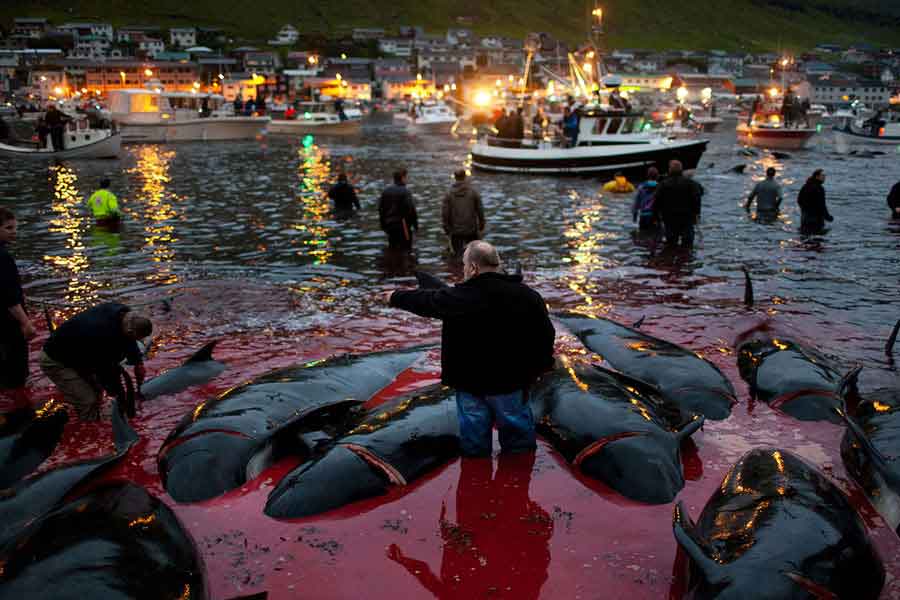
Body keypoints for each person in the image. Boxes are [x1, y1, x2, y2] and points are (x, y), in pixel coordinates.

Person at [384, 241, 555, 456]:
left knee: (474, 438)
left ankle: (476, 472)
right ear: (497, 264)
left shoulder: (457, 298)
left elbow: (425, 301)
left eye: (465, 265)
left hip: (469, 383)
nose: (464, 270)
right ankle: (517, 474)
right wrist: (542, 366)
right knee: (518, 437)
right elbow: (545, 335)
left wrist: (394, 296)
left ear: (473, 267)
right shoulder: (528, 296)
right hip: (512, 382)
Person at [40, 303, 151, 421]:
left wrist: (138, 363)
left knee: (97, 392)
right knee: (88, 401)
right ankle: (89, 427)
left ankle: (87, 411)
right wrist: (119, 399)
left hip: (81, 353)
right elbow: (107, 372)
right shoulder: (102, 335)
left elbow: (129, 341)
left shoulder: (124, 314)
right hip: (56, 360)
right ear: (128, 331)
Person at [0, 208, 36, 389]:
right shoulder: (3, 257)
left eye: (15, 228)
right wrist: (26, 323)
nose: (14, 232)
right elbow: (9, 297)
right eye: (8, 228)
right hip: (9, 322)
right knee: (17, 369)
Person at [652, 160, 702, 247]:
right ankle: (687, 259)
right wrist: (697, 213)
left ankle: (670, 258)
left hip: (669, 217)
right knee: (688, 243)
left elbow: (656, 201)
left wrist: (655, 216)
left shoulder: (663, 184)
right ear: (681, 170)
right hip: (687, 217)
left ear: (669, 170)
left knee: (671, 243)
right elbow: (698, 196)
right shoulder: (691, 183)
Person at [442, 169, 485, 256]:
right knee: (473, 256)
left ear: (455, 177)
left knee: (457, 255)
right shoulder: (473, 192)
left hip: (455, 231)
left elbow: (445, 213)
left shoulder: (448, 194)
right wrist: (481, 225)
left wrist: (446, 229)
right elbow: (480, 210)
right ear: (465, 177)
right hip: (471, 230)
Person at [378, 168, 418, 250]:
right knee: (406, 249)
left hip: (389, 225)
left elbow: (381, 209)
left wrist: (383, 225)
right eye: (406, 177)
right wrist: (415, 225)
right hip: (403, 225)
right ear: (403, 178)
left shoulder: (386, 191)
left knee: (392, 247)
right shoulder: (406, 191)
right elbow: (411, 210)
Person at [797, 169, 833, 235]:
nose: (824, 178)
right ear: (817, 177)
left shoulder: (805, 186)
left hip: (805, 218)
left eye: (825, 176)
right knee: (817, 239)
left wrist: (804, 209)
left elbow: (799, 200)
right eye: (822, 176)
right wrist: (828, 217)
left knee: (804, 237)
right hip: (816, 219)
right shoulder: (819, 188)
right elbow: (822, 205)